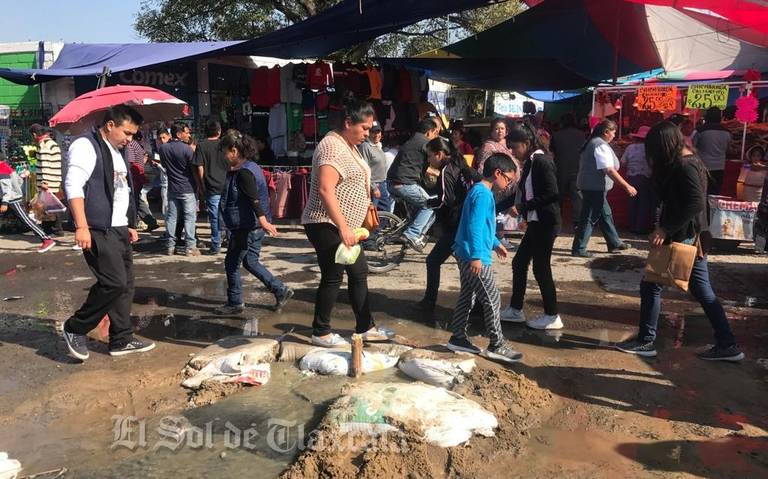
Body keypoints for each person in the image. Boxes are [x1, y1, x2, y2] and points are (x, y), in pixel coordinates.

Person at [616, 121, 744, 362]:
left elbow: (695, 203)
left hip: (681, 235)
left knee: (651, 284)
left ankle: (646, 341)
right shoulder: (689, 161)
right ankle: (728, 343)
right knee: (702, 291)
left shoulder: (685, 166)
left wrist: (665, 228)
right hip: (692, 236)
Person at [61, 105, 155, 360]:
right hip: (97, 227)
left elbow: (121, 188)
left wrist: (130, 223)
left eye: (133, 135)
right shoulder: (86, 145)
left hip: (119, 227)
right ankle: (74, 327)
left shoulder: (117, 149)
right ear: (110, 125)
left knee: (126, 285)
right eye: (127, 133)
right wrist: (81, 226)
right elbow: (73, 185)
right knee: (113, 283)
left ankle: (121, 338)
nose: (130, 139)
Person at [301, 100, 394, 347]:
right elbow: (325, 189)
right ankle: (320, 332)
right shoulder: (332, 146)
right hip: (326, 223)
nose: (368, 133)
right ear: (347, 123)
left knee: (359, 272)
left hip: (346, 226)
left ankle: (365, 327)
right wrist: (342, 226)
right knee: (333, 276)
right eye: (364, 128)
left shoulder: (349, 145)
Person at [447, 153, 522, 364]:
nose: (508, 185)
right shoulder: (482, 194)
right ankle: (496, 344)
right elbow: (474, 227)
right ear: (497, 173)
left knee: (468, 295)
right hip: (473, 255)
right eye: (508, 179)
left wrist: (496, 244)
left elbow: (484, 227)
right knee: (492, 298)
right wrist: (477, 257)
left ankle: (458, 337)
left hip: (467, 252)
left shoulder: (481, 192)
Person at [215, 130, 294, 315]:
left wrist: (263, 221)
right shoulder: (252, 166)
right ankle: (280, 290)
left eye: (225, 152)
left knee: (232, 263)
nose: (224, 157)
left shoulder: (244, 173)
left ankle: (235, 302)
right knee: (250, 261)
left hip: (247, 226)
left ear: (234, 150)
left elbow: (254, 199)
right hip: (252, 226)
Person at [500, 123, 563, 330]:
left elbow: (552, 193)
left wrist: (523, 207)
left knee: (540, 267)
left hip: (546, 222)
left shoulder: (542, 161)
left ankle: (552, 315)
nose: (513, 152)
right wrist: (495, 207)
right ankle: (516, 309)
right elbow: (521, 192)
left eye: (515, 147)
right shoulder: (530, 162)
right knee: (519, 263)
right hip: (536, 222)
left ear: (526, 143)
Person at [413, 137, 481, 313]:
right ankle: (479, 306)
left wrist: (428, 204)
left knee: (434, 261)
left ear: (439, 154)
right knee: (466, 268)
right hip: (463, 223)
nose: (428, 160)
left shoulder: (446, 171)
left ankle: (430, 301)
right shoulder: (459, 165)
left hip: (455, 225)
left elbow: (446, 200)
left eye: (430, 156)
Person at [571, 120, 636, 257]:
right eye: (613, 132)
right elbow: (609, 170)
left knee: (605, 214)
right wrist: (626, 186)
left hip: (591, 185)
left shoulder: (593, 142)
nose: (614, 135)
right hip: (594, 186)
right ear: (606, 132)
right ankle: (579, 248)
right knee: (589, 216)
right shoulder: (599, 145)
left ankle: (614, 242)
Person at [387, 118, 441, 251]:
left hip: (393, 183)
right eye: (435, 133)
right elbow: (437, 159)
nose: (436, 137)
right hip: (404, 184)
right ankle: (412, 234)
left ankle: (413, 234)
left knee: (423, 207)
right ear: (429, 132)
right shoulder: (425, 143)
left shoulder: (412, 141)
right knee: (431, 205)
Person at [159, 123, 200, 256]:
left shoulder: (163, 149)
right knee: (189, 217)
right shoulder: (187, 150)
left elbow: (164, 165)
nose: (188, 135)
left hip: (173, 188)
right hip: (187, 187)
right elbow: (193, 169)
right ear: (179, 134)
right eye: (186, 132)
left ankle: (170, 246)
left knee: (172, 217)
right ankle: (190, 247)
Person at [0, 156, 55, 252]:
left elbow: (6, 188)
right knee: (25, 219)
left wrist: (5, 202)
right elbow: (19, 180)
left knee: (25, 219)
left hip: (12, 199)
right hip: (11, 197)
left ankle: (46, 238)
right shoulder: (6, 166)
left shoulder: (2, 168)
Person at [193, 119, 230, 255]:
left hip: (211, 186)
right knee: (228, 214)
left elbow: (200, 168)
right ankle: (230, 241)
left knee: (214, 217)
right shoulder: (225, 145)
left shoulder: (201, 146)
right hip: (226, 185)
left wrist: (202, 185)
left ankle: (216, 245)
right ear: (219, 131)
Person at [550, 113, 585, 227]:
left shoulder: (556, 135)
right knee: (577, 197)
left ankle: (556, 220)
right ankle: (577, 222)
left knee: (558, 195)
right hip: (577, 167)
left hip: (561, 168)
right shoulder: (581, 135)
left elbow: (552, 151)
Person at [29, 124, 64, 235]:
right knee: (52, 205)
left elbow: (44, 164)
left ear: (34, 134)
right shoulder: (53, 144)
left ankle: (51, 229)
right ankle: (55, 229)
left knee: (46, 206)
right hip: (54, 179)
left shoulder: (43, 145)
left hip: (47, 181)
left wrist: (44, 183)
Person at [621, 126, 655, 234]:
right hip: (646, 178)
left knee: (632, 203)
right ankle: (640, 228)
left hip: (631, 178)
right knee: (643, 203)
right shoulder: (650, 148)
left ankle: (632, 226)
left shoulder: (630, 148)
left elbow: (623, 162)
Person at [694, 107, 732, 195]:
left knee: (701, 192)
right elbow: (729, 149)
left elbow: (692, 147)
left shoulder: (700, 131)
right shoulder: (727, 132)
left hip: (702, 166)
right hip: (720, 167)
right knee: (715, 193)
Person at [126, 132, 159, 232]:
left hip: (134, 177)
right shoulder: (138, 145)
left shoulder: (131, 145)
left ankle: (132, 224)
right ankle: (150, 222)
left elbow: (130, 162)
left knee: (133, 201)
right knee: (137, 200)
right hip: (138, 176)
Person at [358, 121, 392, 212]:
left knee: (385, 211)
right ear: (369, 133)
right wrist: (373, 187)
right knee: (373, 214)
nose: (376, 135)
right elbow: (364, 169)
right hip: (374, 185)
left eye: (378, 132)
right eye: (373, 132)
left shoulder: (378, 146)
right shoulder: (365, 146)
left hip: (382, 184)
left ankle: (381, 227)